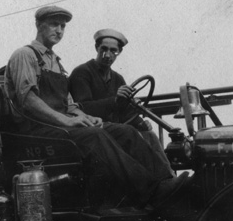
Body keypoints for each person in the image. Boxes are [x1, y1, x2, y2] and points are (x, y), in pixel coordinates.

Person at [4, 6, 190, 208]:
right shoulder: (25, 55)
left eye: (63, 26)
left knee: (125, 131)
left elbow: (70, 104)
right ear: (38, 25)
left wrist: (84, 116)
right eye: (54, 24)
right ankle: (150, 192)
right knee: (95, 136)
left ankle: (166, 183)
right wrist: (68, 120)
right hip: (37, 131)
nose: (59, 30)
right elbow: (28, 100)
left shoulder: (56, 63)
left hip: (59, 127)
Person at [69, 29, 173, 175]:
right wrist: (115, 100)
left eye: (113, 51)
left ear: (119, 53)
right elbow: (83, 108)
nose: (108, 55)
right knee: (131, 136)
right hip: (94, 131)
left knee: (149, 134)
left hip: (114, 130)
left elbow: (125, 111)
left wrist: (139, 122)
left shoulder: (117, 78)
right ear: (96, 48)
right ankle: (158, 179)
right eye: (103, 49)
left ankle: (167, 177)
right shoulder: (82, 72)